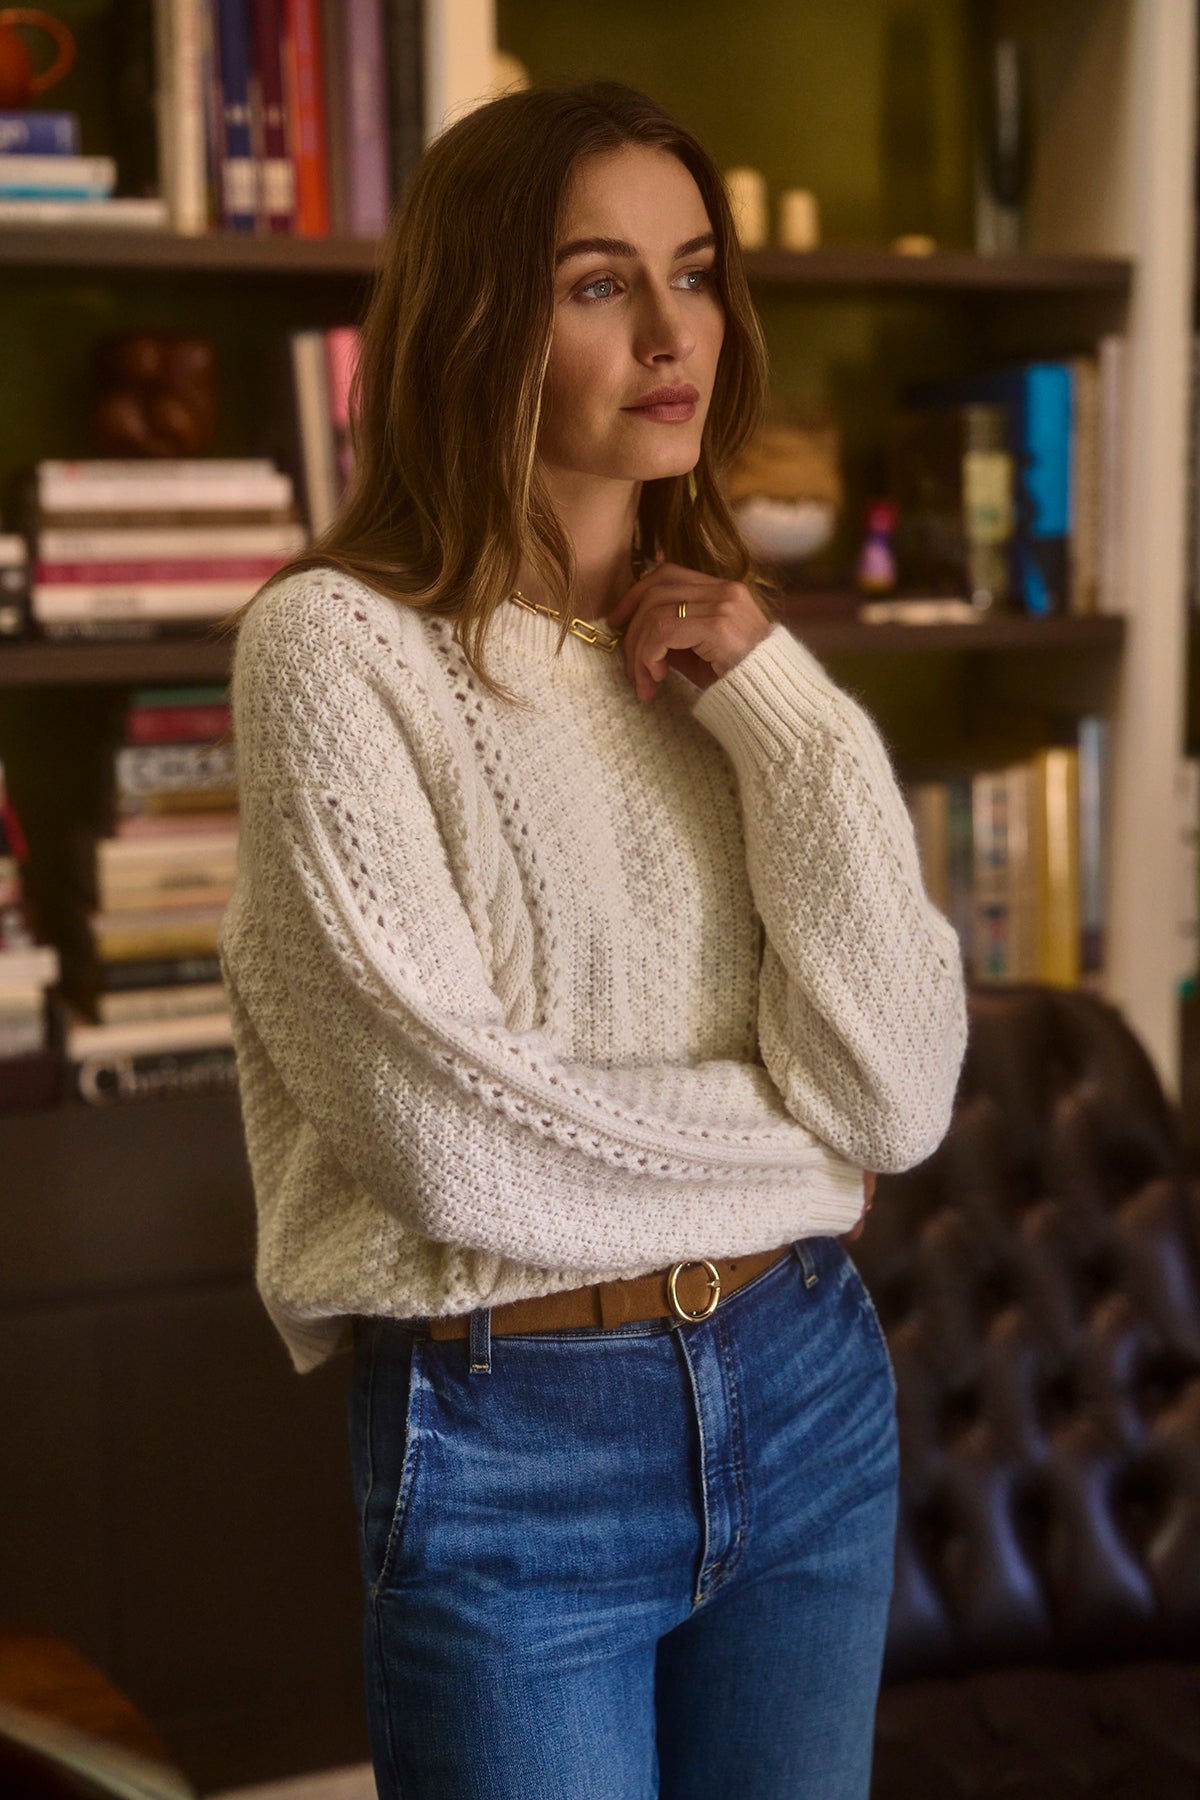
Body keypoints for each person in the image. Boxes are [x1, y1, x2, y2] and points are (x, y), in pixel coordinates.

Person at [217, 77, 968, 1800]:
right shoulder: (337, 655)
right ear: (483, 319)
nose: (670, 330)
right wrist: (799, 1157)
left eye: (693, 272)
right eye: (597, 282)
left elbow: (904, 1096)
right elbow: (454, 1151)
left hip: (805, 1391)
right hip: (512, 1440)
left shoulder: (729, 675)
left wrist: (788, 710)